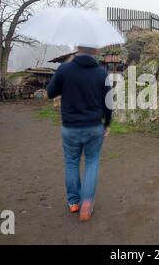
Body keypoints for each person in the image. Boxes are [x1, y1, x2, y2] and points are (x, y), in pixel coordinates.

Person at [47, 46, 112, 222]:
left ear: (77, 48)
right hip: (93, 127)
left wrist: (65, 83)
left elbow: (50, 93)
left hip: (70, 128)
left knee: (71, 163)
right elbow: (108, 102)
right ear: (96, 51)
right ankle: (87, 203)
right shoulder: (101, 73)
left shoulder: (64, 69)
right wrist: (107, 123)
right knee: (92, 163)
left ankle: (74, 202)